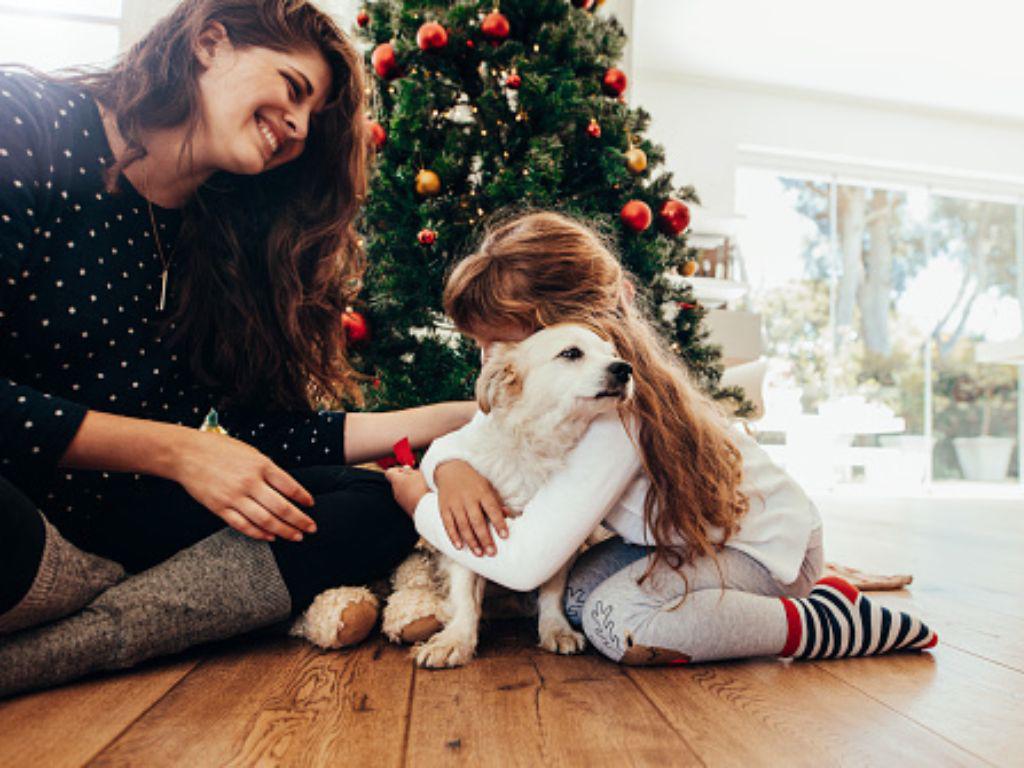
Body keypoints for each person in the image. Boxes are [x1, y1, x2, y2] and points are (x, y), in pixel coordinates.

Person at [0, 0, 474, 697]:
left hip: (117, 528)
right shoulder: (29, 121)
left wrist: (446, 418)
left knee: (375, 504)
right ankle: (114, 605)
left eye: (312, 119)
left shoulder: (225, 237)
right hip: (18, 514)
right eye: (292, 87)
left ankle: (63, 647)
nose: (299, 127)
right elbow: (203, 454)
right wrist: (180, 450)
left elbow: (263, 433)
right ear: (209, 42)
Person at [385, 210, 937, 666]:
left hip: (761, 549)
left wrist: (421, 505)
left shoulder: (614, 415)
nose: (492, 360)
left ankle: (816, 621)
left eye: (498, 342)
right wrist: (447, 470)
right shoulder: (555, 388)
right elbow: (469, 437)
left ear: (561, 328)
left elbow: (526, 565)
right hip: (678, 540)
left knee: (617, 622)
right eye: (483, 347)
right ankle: (767, 600)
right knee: (574, 601)